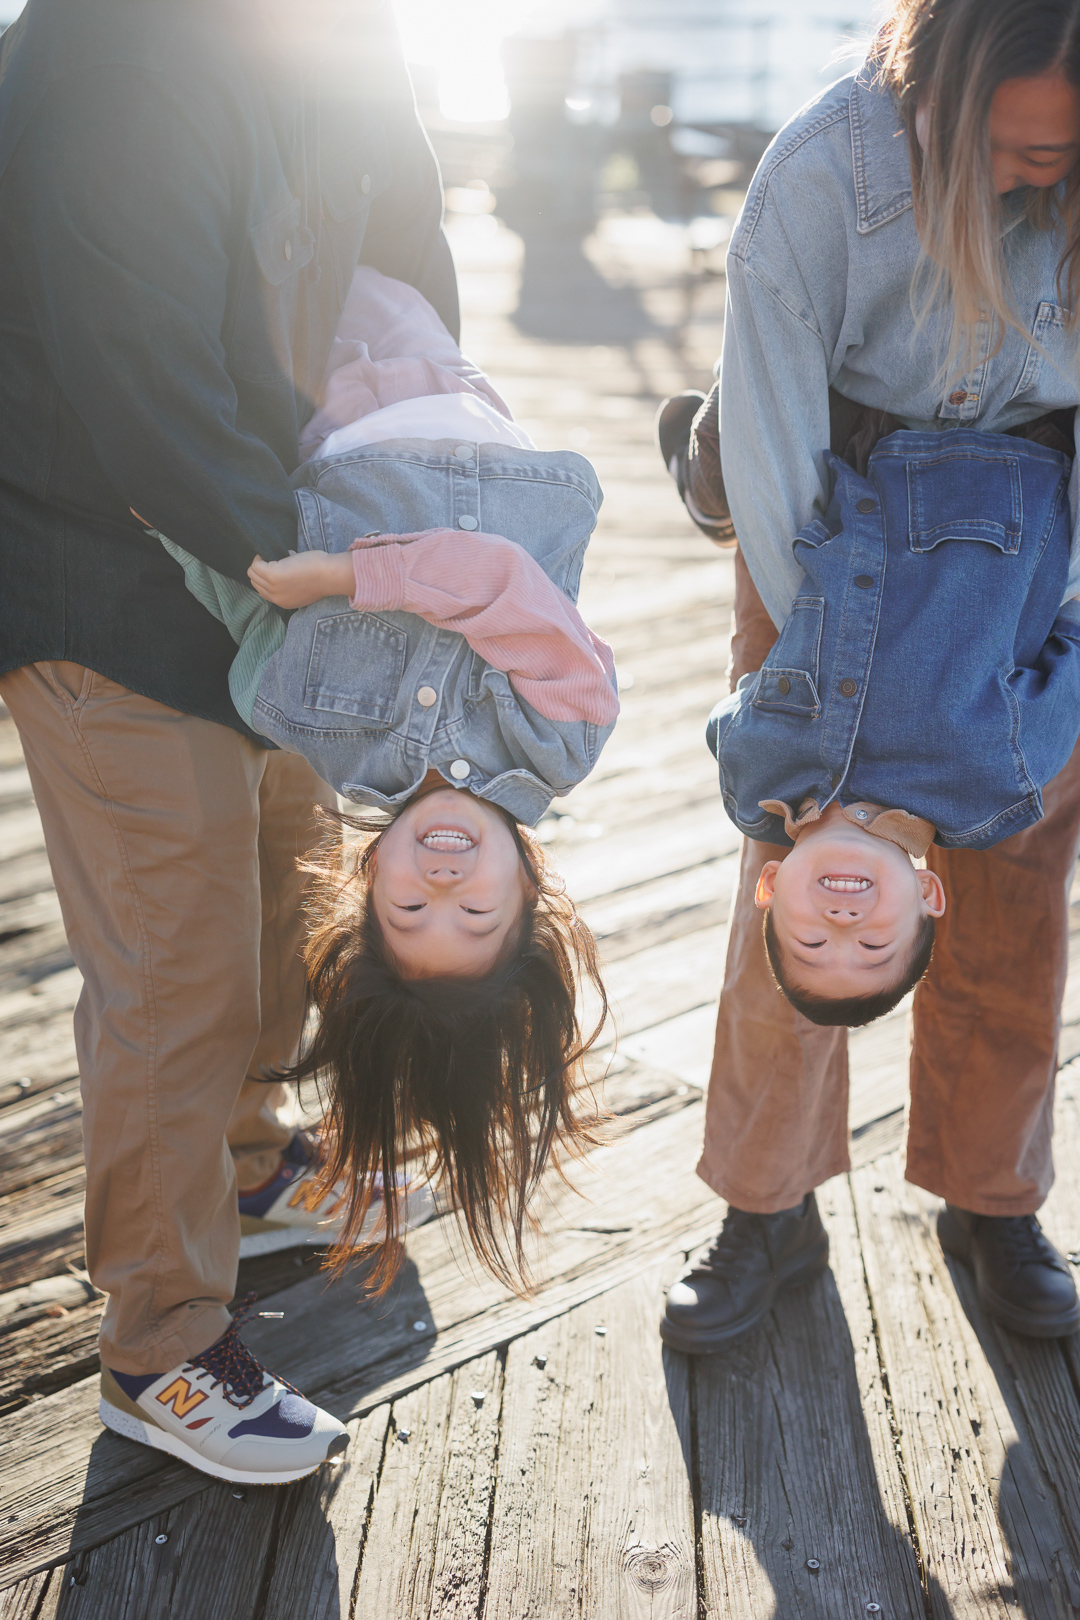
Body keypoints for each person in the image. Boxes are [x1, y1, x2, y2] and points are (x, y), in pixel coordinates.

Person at [0, 0, 460, 1485]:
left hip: (267, 535)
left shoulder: (343, 32)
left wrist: (437, 454)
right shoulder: (113, 45)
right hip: (99, 564)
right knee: (175, 964)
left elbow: (405, 241)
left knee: (281, 874)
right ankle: (160, 1344)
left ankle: (254, 1163)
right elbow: (136, 372)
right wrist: (316, 570)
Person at [655, 0, 1080, 1353]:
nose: (1047, 177)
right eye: (1021, 151)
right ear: (938, 103)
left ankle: (991, 1193)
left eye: (1070, 154)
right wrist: (832, 689)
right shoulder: (820, 171)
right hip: (827, 515)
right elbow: (778, 442)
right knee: (799, 858)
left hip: (1031, 515)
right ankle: (765, 1203)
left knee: (1016, 871)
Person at [153, 264, 617, 1290]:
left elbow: (253, 623)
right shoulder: (563, 734)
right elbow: (501, 585)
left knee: (239, 274)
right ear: (529, 896)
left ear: (367, 888)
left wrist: (178, 528)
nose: (442, 890)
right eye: (477, 916)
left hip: (316, 436)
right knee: (330, 245)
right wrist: (351, 578)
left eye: (409, 912)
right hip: (427, 393)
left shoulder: (328, 748)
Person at [710, 425, 1080, 1026]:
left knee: (739, 431)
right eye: (874, 948)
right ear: (929, 895)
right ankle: (702, 473)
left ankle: (704, 460)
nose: (843, 928)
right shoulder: (994, 789)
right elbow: (1073, 648)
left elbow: (735, 711)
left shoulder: (753, 785)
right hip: (1014, 464)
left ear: (770, 886)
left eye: (812, 945)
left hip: (855, 450)